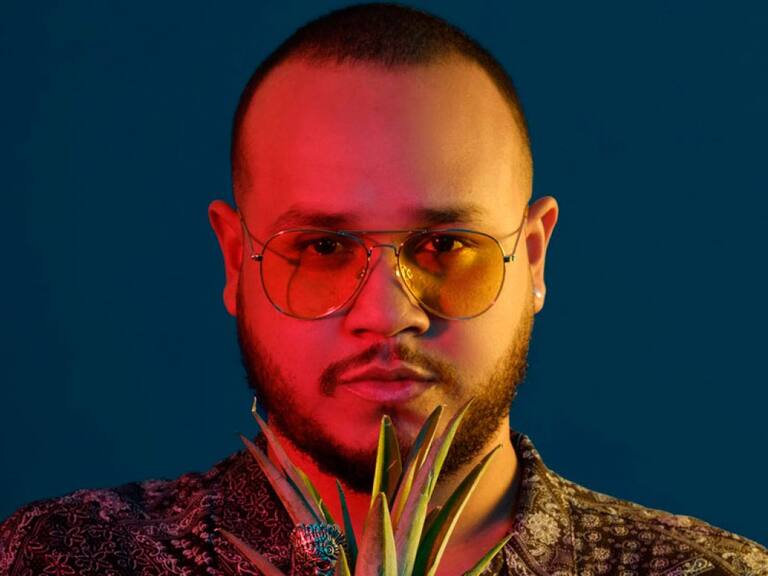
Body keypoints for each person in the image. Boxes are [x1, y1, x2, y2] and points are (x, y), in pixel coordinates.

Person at [1, 4, 765, 575]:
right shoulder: (65, 558)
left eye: (447, 245)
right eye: (323, 247)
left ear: (532, 258)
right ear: (236, 262)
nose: (388, 314)